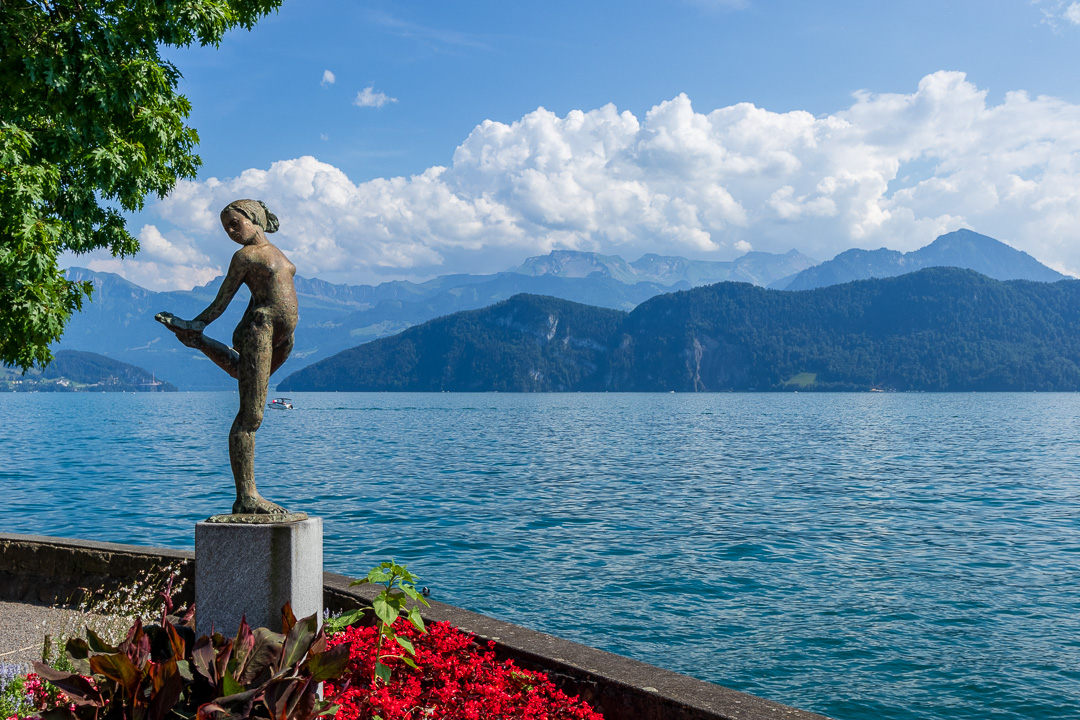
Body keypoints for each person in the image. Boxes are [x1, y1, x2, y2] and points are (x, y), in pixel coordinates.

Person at [156, 199, 298, 514]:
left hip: (280, 339)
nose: (231, 232)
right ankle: (246, 496)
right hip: (258, 330)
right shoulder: (244, 256)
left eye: (235, 223)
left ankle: (198, 341)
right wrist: (198, 321)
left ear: (255, 217)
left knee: (241, 375)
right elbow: (223, 300)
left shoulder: (273, 252)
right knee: (251, 416)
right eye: (227, 228)